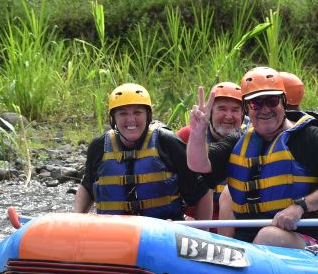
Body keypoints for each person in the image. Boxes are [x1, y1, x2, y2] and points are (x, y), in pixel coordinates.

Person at [187, 67, 318, 249]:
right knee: (229, 194)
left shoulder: (308, 136)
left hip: (304, 238)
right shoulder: (239, 140)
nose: (265, 109)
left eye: (272, 101)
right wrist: (198, 133)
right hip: (249, 243)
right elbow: (199, 165)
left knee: (269, 235)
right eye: (256, 104)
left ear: (283, 102)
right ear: (246, 110)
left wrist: (300, 207)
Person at [73, 83, 213, 220]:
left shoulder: (166, 142)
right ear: (113, 118)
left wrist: (202, 233)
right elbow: (87, 187)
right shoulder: (99, 146)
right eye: (123, 113)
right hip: (114, 233)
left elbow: (202, 192)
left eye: (137, 112)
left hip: (163, 233)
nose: (131, 120)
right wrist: (76, 221)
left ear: (148, 115)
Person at [176, 81, 247, 223]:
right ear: (211, 111)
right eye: (221, 109)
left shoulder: (250, 139)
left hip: (237, 224)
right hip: (195, 223)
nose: (228, 116)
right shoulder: (187, 135)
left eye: (235, 110)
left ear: (243, 114)